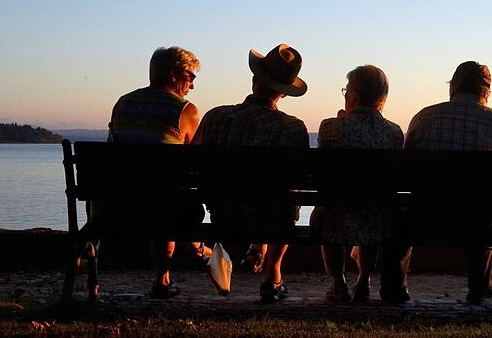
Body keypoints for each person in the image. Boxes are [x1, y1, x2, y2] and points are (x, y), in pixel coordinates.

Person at [192, 43, 309, 304]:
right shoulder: (291, 128)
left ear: (254, 79)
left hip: (224, 214)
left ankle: (256, 250)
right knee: (282, 201)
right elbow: (297, 182)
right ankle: (272, 275)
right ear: (284, 93)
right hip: (271, 220)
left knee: (271, 199)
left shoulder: (215, 117)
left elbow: (194, 167)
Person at [404, 61, 492, 305]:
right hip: (481, 225)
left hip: (425, 219)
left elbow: (405, 171)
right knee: (488, 209)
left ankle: (394, 288)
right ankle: (480, 287)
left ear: (453, 87)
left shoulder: (424, 118)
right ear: (486, 92)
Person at [102, 46, 209, 299]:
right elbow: (197, 167)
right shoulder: (185, 111)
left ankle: (169, 273)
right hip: (164, 211)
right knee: (168, 196)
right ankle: (166, 275)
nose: (192, 85)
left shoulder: (123, 103)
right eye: (191, 77)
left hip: (117, 207)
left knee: (157, 192)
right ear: (174, 74)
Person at [310, 65, 406, 303]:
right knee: (372, 205)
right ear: (382, 99)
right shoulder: (394, 133)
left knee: (331, 208)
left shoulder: (329, 127)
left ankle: (339, 284)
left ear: (352, 96)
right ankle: (363, 281)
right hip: (379, 221)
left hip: (333, 219)